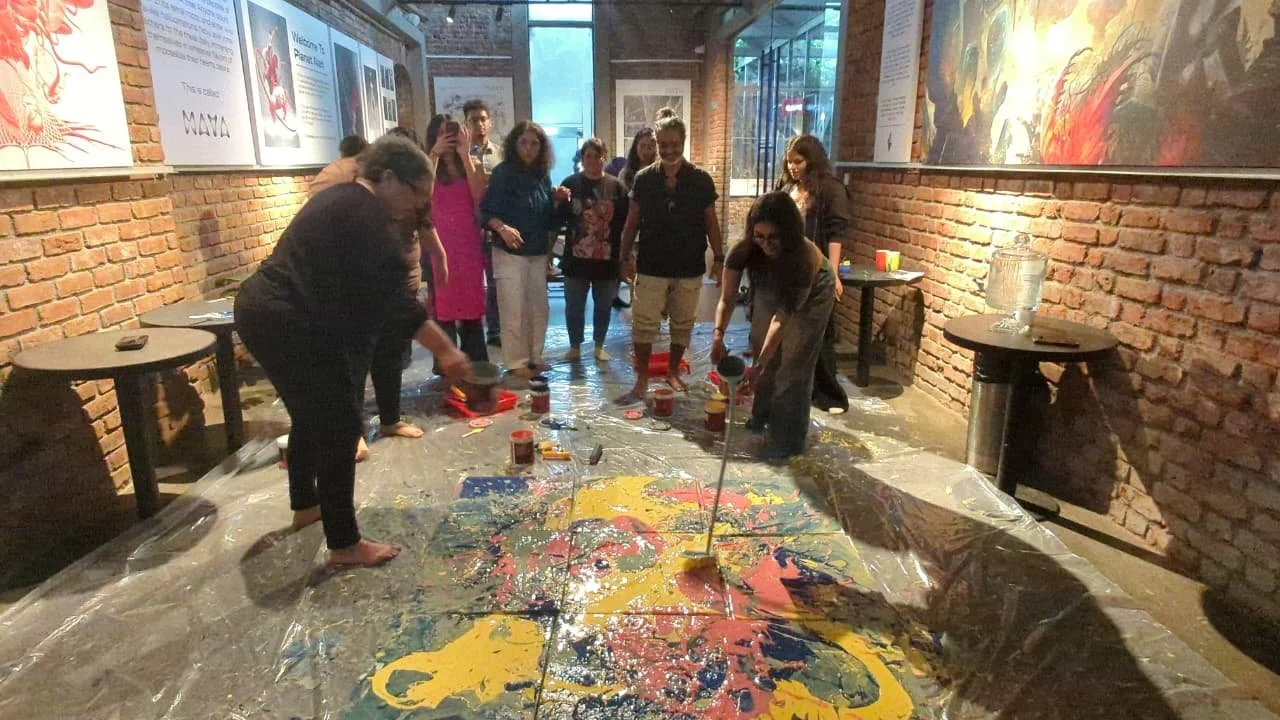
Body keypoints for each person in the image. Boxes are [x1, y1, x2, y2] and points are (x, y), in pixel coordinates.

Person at [234, 136, 472, 570]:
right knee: (341, 423)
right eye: (416, 194)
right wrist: (446, 350)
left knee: (313, 414)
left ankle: (307, 505)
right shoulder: (366, 216)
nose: (418, 208)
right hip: (285, 318)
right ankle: (344, 543)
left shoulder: (344, 200)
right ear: (386, 177)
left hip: (269, 313)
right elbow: (395, 299)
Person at [712, 192, 835, 460]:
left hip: (812, 290)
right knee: (760, 345)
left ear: (788, 233)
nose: (765, 244)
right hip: (772, 280)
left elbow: (782, 320)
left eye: (773, 237)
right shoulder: (744, 250)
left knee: (793, 362)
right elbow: (727, 298)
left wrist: (757, 368)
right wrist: (717, 336)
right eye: (759, 236)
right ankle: (762, 414)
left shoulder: (803, 257)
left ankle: (787, 437)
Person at [618, 115, 723, 403]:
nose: (668, 150)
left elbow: (711, 221)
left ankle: (673, 371)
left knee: (682, 322)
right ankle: (641, 380)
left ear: (683, 143)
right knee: (644, 323)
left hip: (689, 265)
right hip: (652, 264)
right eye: (663, 145)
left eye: (674, 144)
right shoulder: (644, 179)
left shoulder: (700, 179)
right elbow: (632, 221)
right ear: (656, 144)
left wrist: (720, 257)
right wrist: (623, 255)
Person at [478, 120, 571, 378]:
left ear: (541, 147)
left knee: (538, 308)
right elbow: (485, 212)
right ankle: (516, 362)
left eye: (534, 143)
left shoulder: (542, 176)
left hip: (537, 251)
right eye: (524, 143)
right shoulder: (503, 173)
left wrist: (558, 201)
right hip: (509, 253)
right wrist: (502, 229)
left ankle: (534, 357)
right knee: (513, 308)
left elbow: (548, 219)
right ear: (514, 144)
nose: (529, 148)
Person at [773, 134, 851, 413]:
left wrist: (833, 272)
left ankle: (829, 393)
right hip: (787, 266)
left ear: (812, 160)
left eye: (799, 161)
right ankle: (790, 386)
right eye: (790, 161)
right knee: (786, 327)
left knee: (819, 331)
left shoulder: (830, 189)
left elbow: (836, 233)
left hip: (816, 268)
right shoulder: (787, 186)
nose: (793, 166)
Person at [424, 114, 489, 365]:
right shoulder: (428, 164)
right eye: (441, 133)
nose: (447, 137)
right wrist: (434, 154)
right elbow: (422, 196)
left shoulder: (471, 163)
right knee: (443, 308)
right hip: (439, 244)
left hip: (468, 246)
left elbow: (478, 197)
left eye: (450, 132)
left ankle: (476, 362)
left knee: (472, 306)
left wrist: (465, 153)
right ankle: (447, 366)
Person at [557, 138, 626, 362]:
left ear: (604, 158)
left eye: (597, 156)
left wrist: (627, 257)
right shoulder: (570, 183)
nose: (593, 161)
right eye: (588, 156)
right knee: (574, 307)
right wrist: (557, 202)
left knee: (604, 306)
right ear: (582, 159)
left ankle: (598, 346)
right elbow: (557, 220)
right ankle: (575, 346)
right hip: (575, 262)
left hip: (607, 262)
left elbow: (626, 224)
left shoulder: (616, 187)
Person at [464, 99, 504, 348]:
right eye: (473, 120)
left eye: (482, 119)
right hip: (466, 227)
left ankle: (496, 329)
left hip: (491, 224)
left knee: (494, 281)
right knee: (469, 281)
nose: (479, 124)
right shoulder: (460, 156)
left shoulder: (500, 154)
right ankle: (470, 328)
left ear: (489, 122)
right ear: (466, 124)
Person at [613, 127, 658, 310]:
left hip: (655, 232)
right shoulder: (627, 173)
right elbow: (623, 207)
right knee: (635, 274)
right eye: (642, 146)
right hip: (633, 231)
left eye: (650, 146)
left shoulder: (663, 171)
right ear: (636, 148)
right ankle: (638, 312)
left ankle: (652, 310)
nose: (646, 151)